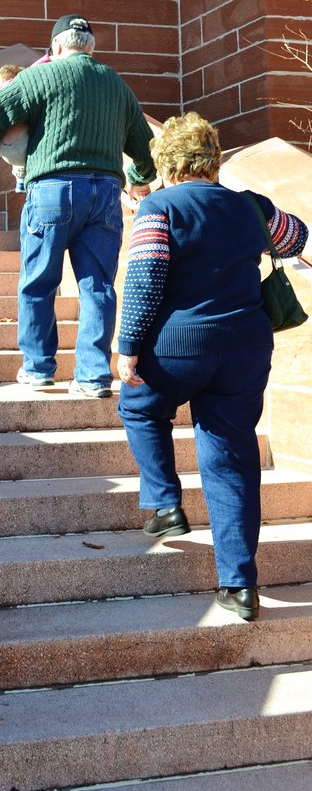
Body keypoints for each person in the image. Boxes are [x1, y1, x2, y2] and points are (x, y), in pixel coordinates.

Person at [116, 112, 308, 621]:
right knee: (232, 460)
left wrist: (128, 344)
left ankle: (164, 503)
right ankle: (239, 586)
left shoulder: (157, 208)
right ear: (213, 159)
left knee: (139, 406)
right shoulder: (252, 206)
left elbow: (145, 279)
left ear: (166, 163)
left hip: (177, 347)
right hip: (246, 349)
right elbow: (297, 237)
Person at [0, 12, 157, 397]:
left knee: (39, 283)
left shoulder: (40, 75)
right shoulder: (116, 84)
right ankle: (93, 377)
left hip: (52, 191)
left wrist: (10, 146)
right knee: (98, 287)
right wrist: (139, 180)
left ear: (56, 46)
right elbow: (145, 147)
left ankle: (39, 368)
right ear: (92, 48)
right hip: (107, 194)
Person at [0, 63, 37, 192]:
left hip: (5, 150)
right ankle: (26, 177)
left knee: (13, 133)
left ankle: (20, 179)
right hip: (25, 147)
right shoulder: (19, 98)